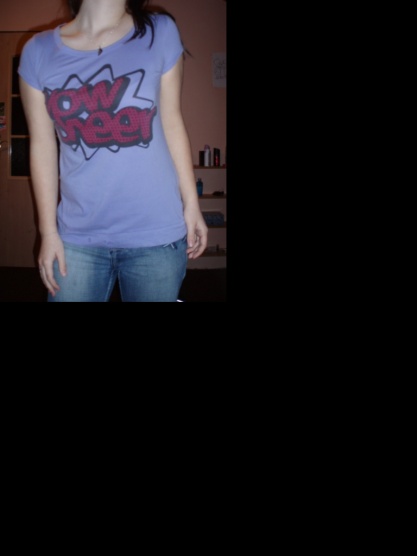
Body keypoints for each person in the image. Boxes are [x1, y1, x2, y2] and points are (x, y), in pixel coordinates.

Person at [18, 0, 208, 302]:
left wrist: (192, 204)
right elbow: (42, 146)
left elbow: (172, 122)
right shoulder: (38, 51)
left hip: (155, 232)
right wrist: (48, 232)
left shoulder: (159, 31)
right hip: (77, 236)